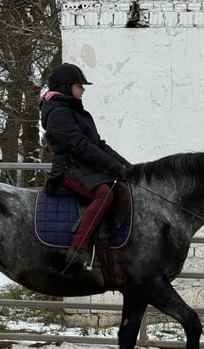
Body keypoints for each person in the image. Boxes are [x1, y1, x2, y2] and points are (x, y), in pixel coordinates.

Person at [40, 62, 131, 268]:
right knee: (104, 194)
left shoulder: (75, 111)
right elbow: (80, 147)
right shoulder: (58, 113)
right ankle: (78, 247)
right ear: (65, 87)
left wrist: (128, 167)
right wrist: (114, 168)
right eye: (79, 85)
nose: (83, 89)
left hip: (82, 167)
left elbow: (98, 145)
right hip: (67, 168)